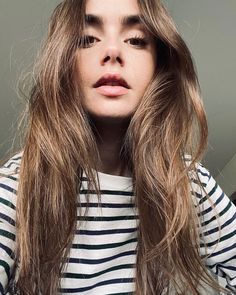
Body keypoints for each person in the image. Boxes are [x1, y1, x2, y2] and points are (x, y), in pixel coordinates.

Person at [0, 0, 236, 294]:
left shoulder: (187, 180)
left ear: (159, 66)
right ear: (63, 62)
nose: (112, 51)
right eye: (87, 39)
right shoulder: (18, 184)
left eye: (136, 40)